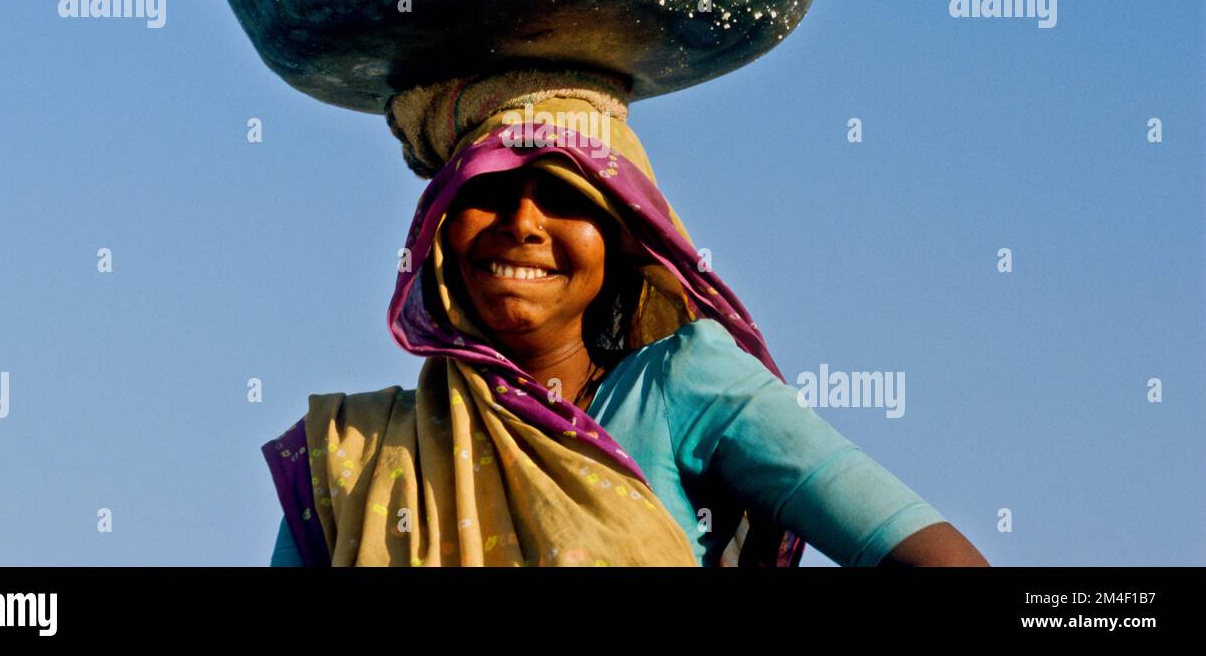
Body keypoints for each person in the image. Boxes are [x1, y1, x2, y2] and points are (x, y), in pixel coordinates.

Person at [263, 68, 988, 567]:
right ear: (439, 227)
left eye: (566, 198)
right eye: (491, 189)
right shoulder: (353, 454)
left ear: (619, 241)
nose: (523, 223)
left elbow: (929, 552)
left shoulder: (683, 386)